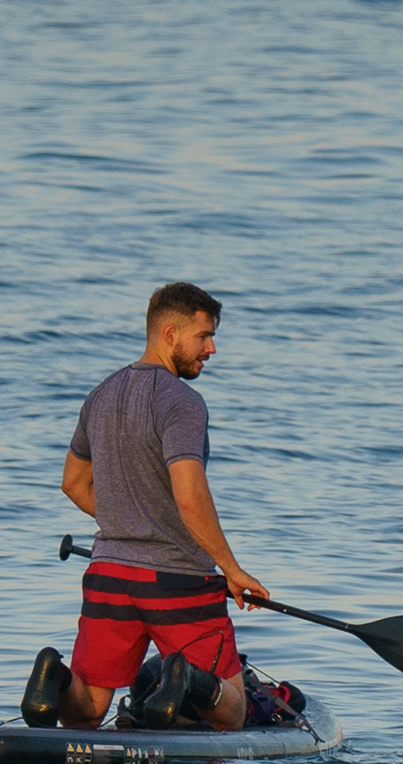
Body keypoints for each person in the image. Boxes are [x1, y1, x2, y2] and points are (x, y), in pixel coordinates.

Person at [21, 283, 275, 732]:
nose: (212, 349)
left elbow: (73, 484)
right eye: (204, 336)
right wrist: (232, 571)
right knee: (233, 710)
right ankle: (187, 680)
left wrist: (125, 521)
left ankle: (51, 675)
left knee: (88, 708)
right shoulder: (182, 402)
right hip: (177, 581)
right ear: (170, 334)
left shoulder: (100, 395)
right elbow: (190, 498)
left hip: (109, 577)